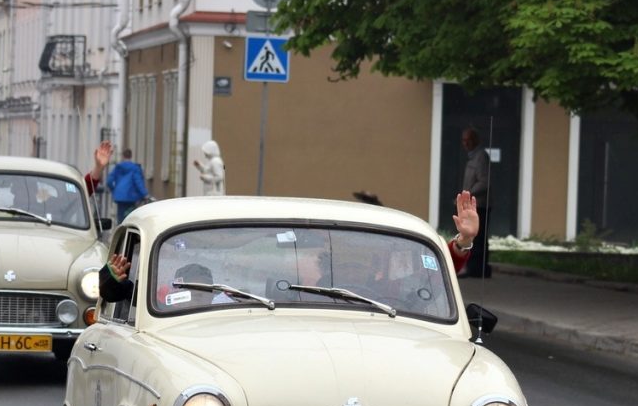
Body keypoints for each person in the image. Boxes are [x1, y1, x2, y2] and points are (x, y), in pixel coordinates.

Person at [98, 191, 479, 302]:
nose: (310, 265)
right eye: (314, 256)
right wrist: (113, 282)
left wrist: (463, 242)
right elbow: (133, 297)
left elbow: (429, 277)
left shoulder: (382, 296)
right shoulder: (227, 301)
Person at [460, 127, 492, 278]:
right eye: (464, 140)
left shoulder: (481, 157)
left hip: (479, 204)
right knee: (474, 237)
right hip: (472, 204)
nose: (465, 143)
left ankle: (478, 269)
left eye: (468, 140)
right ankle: (476, 268)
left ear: (475, 141)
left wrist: (469, 194)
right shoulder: (473, 157)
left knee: (478, 238)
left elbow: (484, 181)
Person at [106, 148, 149, 223]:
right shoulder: (135, 168)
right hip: (131, 197)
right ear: (131, 156)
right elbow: (138, 182)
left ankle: (120, 229)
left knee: (120, 218)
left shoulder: (118, 167)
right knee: (130, 218)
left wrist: (114, 190)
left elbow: (109, 181)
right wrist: (145, 194)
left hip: (119, 197)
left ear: (123, 156)